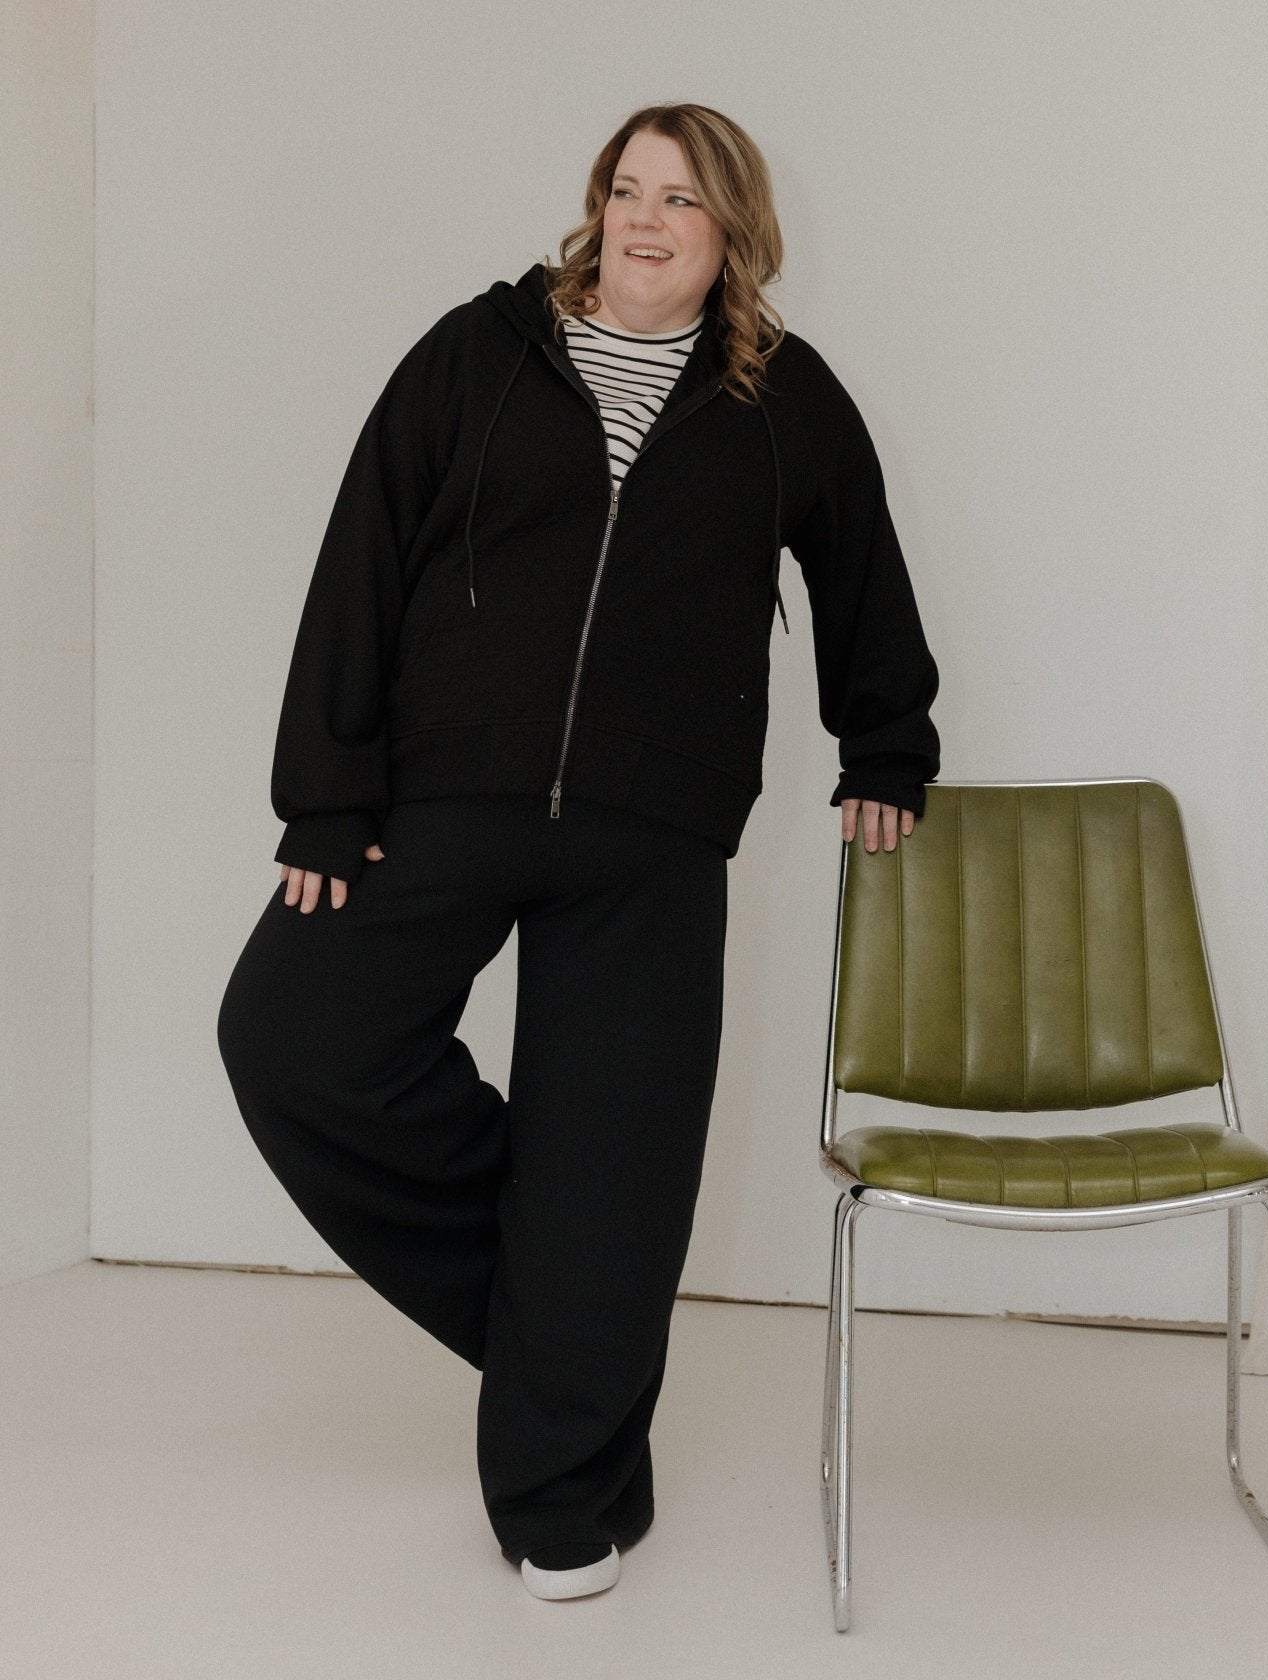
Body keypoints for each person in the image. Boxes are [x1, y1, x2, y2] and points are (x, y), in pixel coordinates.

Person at [216, 102, 940, 1603]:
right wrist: (326, 796)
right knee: (292, 1035)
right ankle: (564, 1328)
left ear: (734, 232)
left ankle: (562, 1488)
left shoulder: (780, 393)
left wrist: (886, 743)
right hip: (442, 801)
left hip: (651, 833)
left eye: (681, 198)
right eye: (627, 189)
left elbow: (860, 561)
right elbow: (365, 554)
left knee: (614, 1156)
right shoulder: (477, 355)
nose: (644, 219)